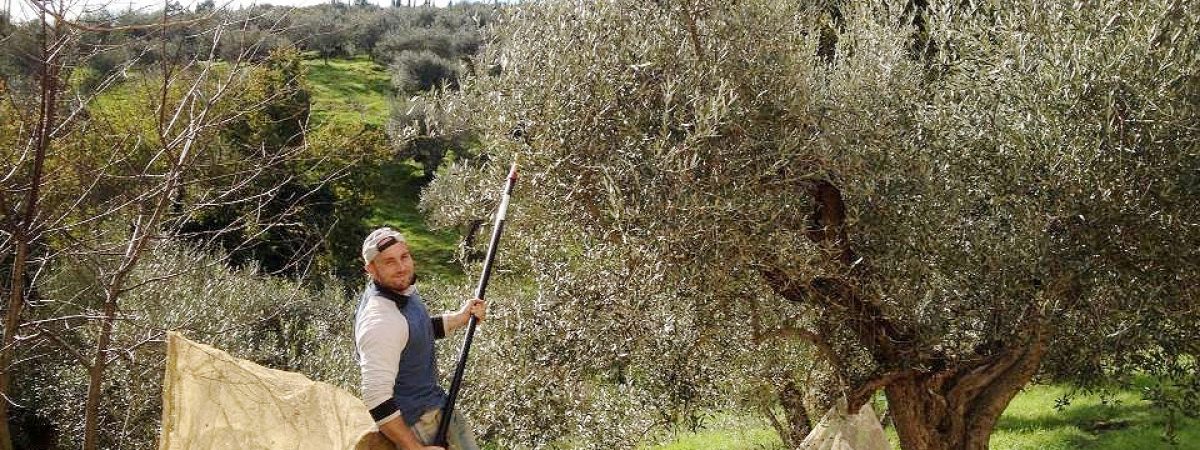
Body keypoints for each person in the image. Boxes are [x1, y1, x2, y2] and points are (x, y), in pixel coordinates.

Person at [355, 227, 485, 450]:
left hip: (436, 407)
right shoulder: (380, 320)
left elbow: (414, 332)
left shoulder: (402, 290)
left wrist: (459, 318)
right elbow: (376, 397)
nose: (401, 267)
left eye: (404, 257)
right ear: (371, 269)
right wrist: (413, 447)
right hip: (416, 424)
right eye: (389, 262)